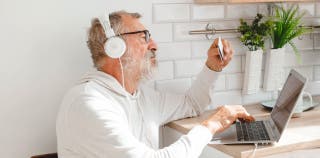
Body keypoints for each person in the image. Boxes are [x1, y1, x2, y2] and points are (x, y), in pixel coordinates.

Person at [56, 10, 254, 158]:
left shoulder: (141, 97)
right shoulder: (88, 103)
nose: (154, 45)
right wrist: (212, 124)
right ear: (114, 47)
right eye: (144, 37)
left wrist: (213, 67)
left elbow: (192, 104)